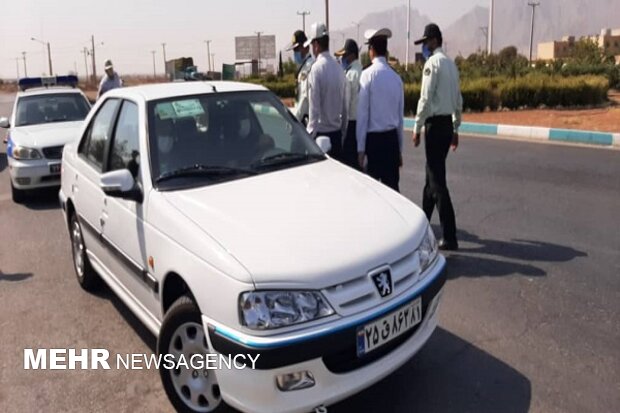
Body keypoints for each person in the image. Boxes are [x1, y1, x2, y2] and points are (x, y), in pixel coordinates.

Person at [413, 23, 463, 251]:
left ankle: (450, 235)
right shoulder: (452, 66)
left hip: (434, 126)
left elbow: (425, 98)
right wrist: (455, 128)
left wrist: (416, 127)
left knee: (437, 182)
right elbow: (458, 101)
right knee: (430, 178)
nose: (424, 46)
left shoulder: (432, 64)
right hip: (446, 126)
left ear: (433, 40)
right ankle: (422, 228)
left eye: (425, 42)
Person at [356, 28, 404, 192]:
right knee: (393, 192)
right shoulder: (396, 78)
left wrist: (360, 149)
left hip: (374, 143)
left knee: (373, 194)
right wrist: (399, 150)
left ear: (372, 50)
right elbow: (400, 118)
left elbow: (362, 115)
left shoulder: (367, 76)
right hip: (391, 142)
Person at [305, 22, 346, 160]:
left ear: (316, 44)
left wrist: (308, 139)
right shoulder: (339, 68)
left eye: (312, 45)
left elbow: (314, 110)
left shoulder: (316, 70)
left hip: (321, 138)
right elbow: (344, 107)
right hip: (337, 135)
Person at [335, 39, 363, 170]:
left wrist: (343, 133)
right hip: (363, 125)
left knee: (350, 166)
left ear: (352, 55)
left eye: (344, 55)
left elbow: (345, 106)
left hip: (351, 126)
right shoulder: (364, 72)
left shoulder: (350, 75)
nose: (342, 59)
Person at [287, 30, 314, 125]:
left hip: (306, 119)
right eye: (294, 50)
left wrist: (294, 121)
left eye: (297, 49)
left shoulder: (308, 67)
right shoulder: (304, 66)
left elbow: (304, 99)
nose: (295, 53)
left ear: (306, 47)